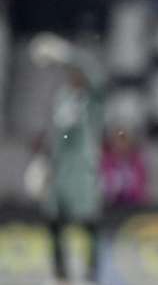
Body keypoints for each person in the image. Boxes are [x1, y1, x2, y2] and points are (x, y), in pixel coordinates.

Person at [29, 33, 104, 285]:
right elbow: (54, 132)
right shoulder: (62, 96)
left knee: (88, 221)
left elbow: (93, 72)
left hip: (82, 169)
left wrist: (65, 53)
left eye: (75, 72)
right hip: (60, 168)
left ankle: (91, 274)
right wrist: (43, 161)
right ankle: (60, 274)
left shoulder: (92, 98)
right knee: (54, 220)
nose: (72, 76)